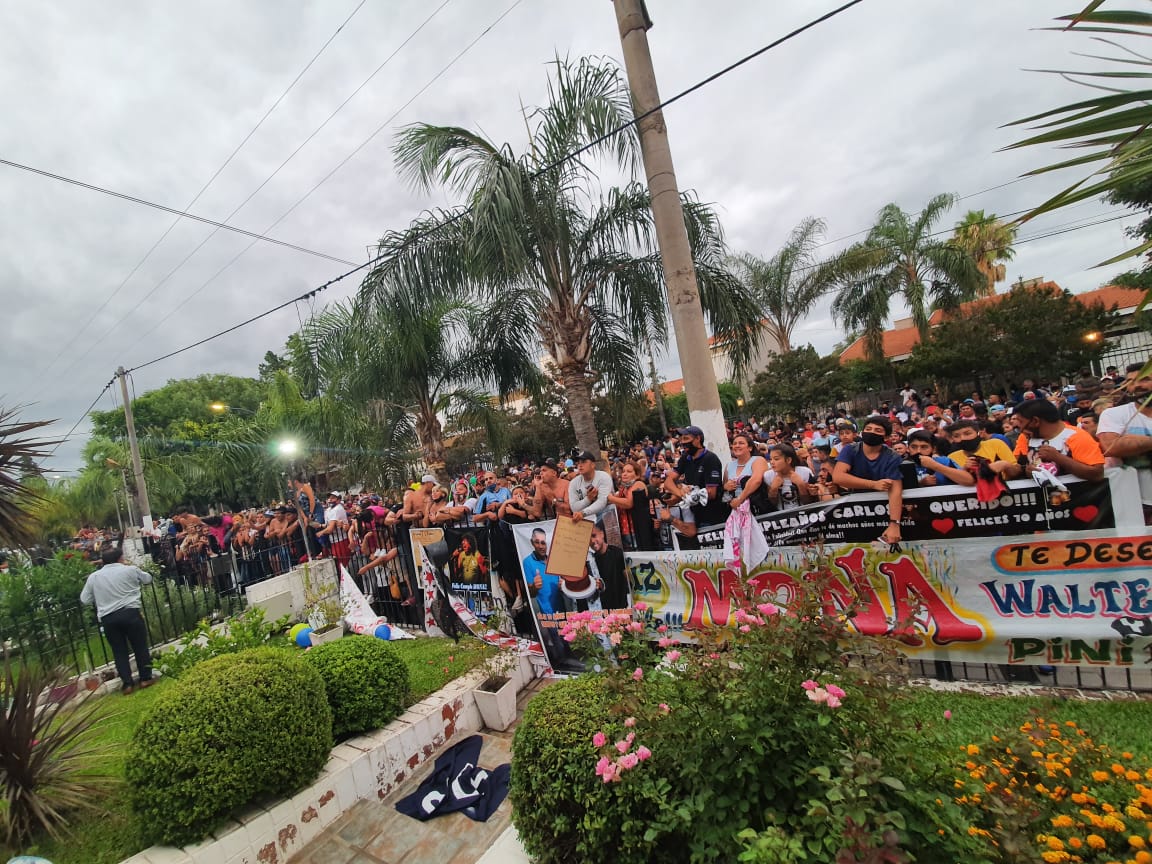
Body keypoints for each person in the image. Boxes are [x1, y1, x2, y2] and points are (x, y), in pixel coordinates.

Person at [79, 546, 154, 694]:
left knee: (119, 651)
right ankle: (145, 678)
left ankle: (127, 684)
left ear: (103, 561)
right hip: (130, 613)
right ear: (120, 558)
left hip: (109, 618)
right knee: (140, 646)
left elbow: (85, 599)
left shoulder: (94, 577)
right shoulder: (129, 570)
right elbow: (148, 579)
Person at [992, 398, 1105, 482]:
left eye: (1021, 422)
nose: (1019, 428)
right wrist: (1026, 471)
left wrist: (1058, 458)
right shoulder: (1025, 437)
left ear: (1035, 421)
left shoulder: (1077, 437)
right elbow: (1019, 465)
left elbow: (1097, 474)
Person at [832, 415, 903, 545]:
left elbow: (895, 490)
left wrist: (894, 524)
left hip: (883, 510)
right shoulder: (850, 449)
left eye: (878, 430)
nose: (871, 432)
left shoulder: (892, 456)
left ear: (886, 437)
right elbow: (838, 476)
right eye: (868, 429)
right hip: (855, 510)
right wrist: (873, 484)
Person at [1098, 359, 1152, 522]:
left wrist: (1132, 441)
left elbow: (1120, 443)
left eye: (1145, 379)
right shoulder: (1113, 414)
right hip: (1136, 503)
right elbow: (1111, 446)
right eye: (1130, 381)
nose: (1137, 386)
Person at [663, 425, 727, 529]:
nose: (683, 442)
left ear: (698, 439)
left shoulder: (710, 459)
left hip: (713, 517)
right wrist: (680, 493)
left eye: (686, 438)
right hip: (694, 516)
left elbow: (711, 493)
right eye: (682, 439)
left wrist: (685, 493)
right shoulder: (685, 458)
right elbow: (668, 482)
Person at [606, 461, 655, 550]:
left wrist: (611, 498)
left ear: (637, 475)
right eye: (624, 471)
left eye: (629, 471)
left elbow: (629, 503)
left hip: (637, 529)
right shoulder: (625, 487)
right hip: (625, 529)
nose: (624, 474)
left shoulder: (638, 484)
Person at [906, 430, 973, 487]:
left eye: (924, 447)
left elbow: (969, 480)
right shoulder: (902, 466)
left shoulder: (944, 461)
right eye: (913, 447)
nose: (918, 451)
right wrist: (920, 484)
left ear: (933, 449)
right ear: (908, 448)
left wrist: (935, 466)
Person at [723, 432, 770, 514]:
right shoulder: (729, 465)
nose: (737, 446)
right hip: (736, 510)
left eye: (741, 443)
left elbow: (756, 480)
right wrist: (726, 486)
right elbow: (724, 485)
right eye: (734, 444)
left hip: (756, 508)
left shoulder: (758, 460)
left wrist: (740, 499)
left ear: (750, 448)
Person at [589, 523, 629, 610]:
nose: (592, 541)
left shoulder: (617, 553)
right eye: (588, 539)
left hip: (622, 608)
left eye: (594, 535)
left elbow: (629, 580)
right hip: (604, 611)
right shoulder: (592, 561)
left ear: (602, 534)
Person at [765, 443, 814, 510]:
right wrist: (773, 489)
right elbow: (771, 505)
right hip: (781, 517)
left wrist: (801, 485)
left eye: (776, 459)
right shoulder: (768, 475)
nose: (772, 462)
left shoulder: (805, 472)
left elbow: (808, 502)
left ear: (788, 460)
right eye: (770, 459)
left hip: (804, 515)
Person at [568, 451, 614, 521]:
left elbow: (602, 502)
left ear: (592, 465)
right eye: (578, 462)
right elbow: (574, 508)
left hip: (607, 517)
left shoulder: (603, 477)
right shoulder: (573, 483)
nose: (580, 465)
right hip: (585, 521)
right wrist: (588, 499)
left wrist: (583, 513)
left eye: (584, 462)